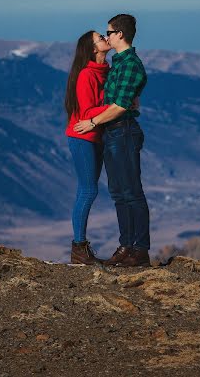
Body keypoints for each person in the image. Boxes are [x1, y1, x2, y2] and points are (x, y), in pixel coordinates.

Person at [74, 14, 150, 267]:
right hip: (113, 133)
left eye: (109, 32)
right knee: (119, 192)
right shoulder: (117, 63)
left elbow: (119, 106)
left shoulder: (130, 65)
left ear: (119, 34)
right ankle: (126, 246)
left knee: (131, 192)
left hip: (123, 131)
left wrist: (93, 122)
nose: (106, 36)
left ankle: (139, 249)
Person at [65, 30, 111, 265]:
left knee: (87, 190)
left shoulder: (106, 72)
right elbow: (86, 112)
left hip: (97, 138)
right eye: (100, 37)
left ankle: (80, 249)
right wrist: (115, 107)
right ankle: (79, 248)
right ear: (93, 49)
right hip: (82, 137)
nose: (105, 38)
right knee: (88, 190)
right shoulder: (86, 75)